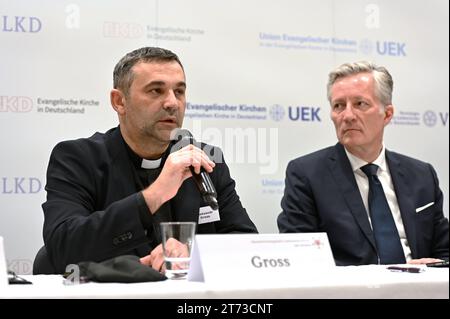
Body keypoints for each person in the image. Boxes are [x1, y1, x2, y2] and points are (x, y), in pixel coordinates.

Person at [42, 47, 257, 274]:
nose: (172, 103)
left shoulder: (205, 160)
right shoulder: (78, 159)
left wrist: (194, 252)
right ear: (119, 102)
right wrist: (155, 195)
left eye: (179, 91)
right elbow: (62, 247)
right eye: (156, 91)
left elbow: (246, 242)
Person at [277, 61, 449, 266]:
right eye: (339, 106)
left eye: (360, 104)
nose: (348, 116)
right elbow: (301, 260)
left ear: (387, 114)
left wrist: (434, 267)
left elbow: (444, 250)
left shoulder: (422, 175)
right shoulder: (307, 175)